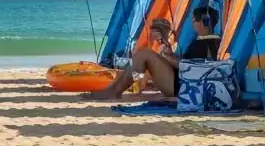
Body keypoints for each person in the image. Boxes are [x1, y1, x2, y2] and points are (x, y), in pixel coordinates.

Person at [83, 7, 221, 101]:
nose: (193, 25)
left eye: (194, 21)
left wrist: (170, 58)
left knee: (144, 55)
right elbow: (191, 64)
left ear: (204, 22)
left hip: (181, 87)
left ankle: (115, 90)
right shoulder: (209, 42)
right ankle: (114, 89)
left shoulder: (206, 43)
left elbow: (189, 67)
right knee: (141, 58)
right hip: (181, 83)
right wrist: (170, 57)